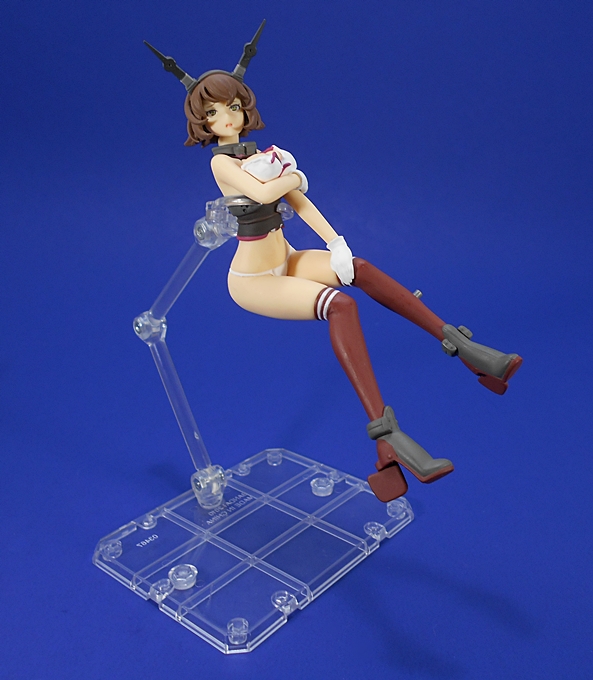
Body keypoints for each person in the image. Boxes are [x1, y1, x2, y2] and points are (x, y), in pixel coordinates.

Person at [145, 24, 522, 502]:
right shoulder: (222, 163)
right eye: (214, 112)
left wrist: (335, 241)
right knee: (341, 306)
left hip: (287, 256)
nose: (227, 118)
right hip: (254, 279)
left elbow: (299, 202)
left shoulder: (260, 154)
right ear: (203, 120)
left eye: (233, 107)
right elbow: (266, 191)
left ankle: (462, 346)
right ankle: (386, 436)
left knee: (357, 267)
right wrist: (292, 173)